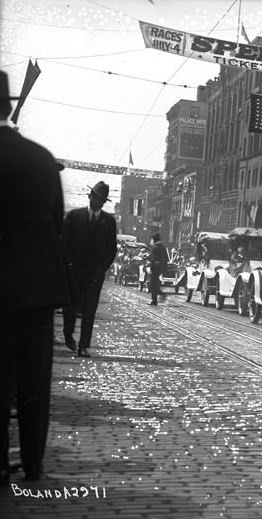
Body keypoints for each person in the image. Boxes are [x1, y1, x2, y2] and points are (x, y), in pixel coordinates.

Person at [0, 70, 73, 485]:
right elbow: (57, 222)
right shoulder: (41, 158)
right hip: (40, 285)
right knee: (34, 380)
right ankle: (33, 462)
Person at [61, 180, 117, 357]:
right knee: (70, 306)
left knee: (90, 308)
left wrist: (102, 268)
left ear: (104, 202)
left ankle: (84, 345)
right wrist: (68, 264)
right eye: (95, 197)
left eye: (101, 199)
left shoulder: (109, 221)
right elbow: (64, 243)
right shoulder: (74, 216)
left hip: (94, 272)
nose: (97, 201)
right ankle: (68, 335)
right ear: (89, 196)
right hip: (74, 270)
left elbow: (112, 248)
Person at [149, 233, 168, 305]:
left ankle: (157, 298)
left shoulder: (155, 248)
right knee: (154, 284)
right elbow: (166, 258)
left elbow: (153, 259)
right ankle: (155, 300)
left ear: (154, 240)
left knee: (152, 285)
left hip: (154, 269)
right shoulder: (163, 247)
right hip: (161, 269)